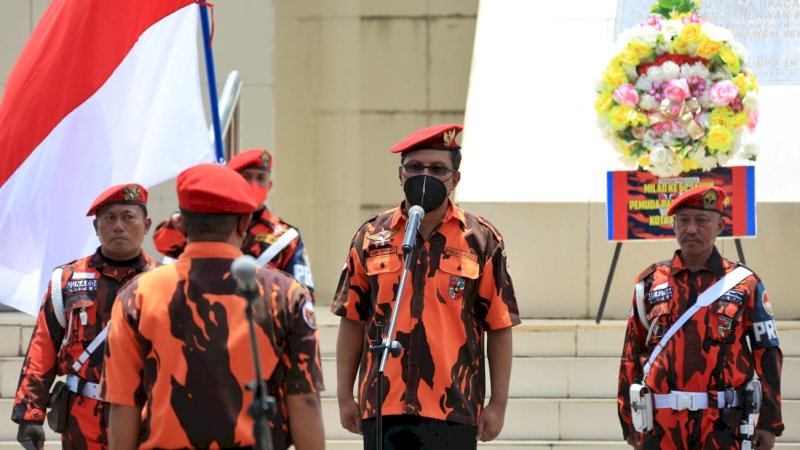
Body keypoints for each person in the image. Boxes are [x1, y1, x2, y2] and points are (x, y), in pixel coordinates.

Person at [102, 163, 324, 450]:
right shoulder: (286, 294)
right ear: (244, 222)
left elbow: (123, 405)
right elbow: (304, 399)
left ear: (180, 225)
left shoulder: (136, 296)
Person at [331, 123, 520, 450]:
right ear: (400, 174)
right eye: (415, 167)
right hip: (383, 403)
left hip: (453, 406)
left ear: (455, 179)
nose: (425, 175)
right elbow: (352, 318)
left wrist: (497, 405)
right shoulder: (372, 236)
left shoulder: (481, 238)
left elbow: (499, 325)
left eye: (437, 169)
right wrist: (345, 396)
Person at [618, 185, 784, 449]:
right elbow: (631, 354)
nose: (691, 229)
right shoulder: (648, 283)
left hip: (723, 427)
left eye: (702, 220)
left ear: (721, 226)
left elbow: (767, 353)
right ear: (673, 226)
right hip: (661, 428)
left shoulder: (744, 284)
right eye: (683, 221)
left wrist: (769, 423)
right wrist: (628, 421)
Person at [12, 183, 158, 449]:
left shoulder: (165, 281)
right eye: (109, 218)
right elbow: (43, 347)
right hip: (82, 419)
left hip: (146, 416)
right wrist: (30, 415)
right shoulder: (67, 279)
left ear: (146, 225)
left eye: (128, 217)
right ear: (95, 227)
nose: (118, 226)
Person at [152, 148, 314, 290]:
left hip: (262, 315)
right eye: (246, 177)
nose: (253, 184)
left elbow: (303, 292)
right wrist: (179, 218)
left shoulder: (286, 237)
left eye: (261, 178)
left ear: (269, 186)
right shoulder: (209, 219)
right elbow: (162, 243)